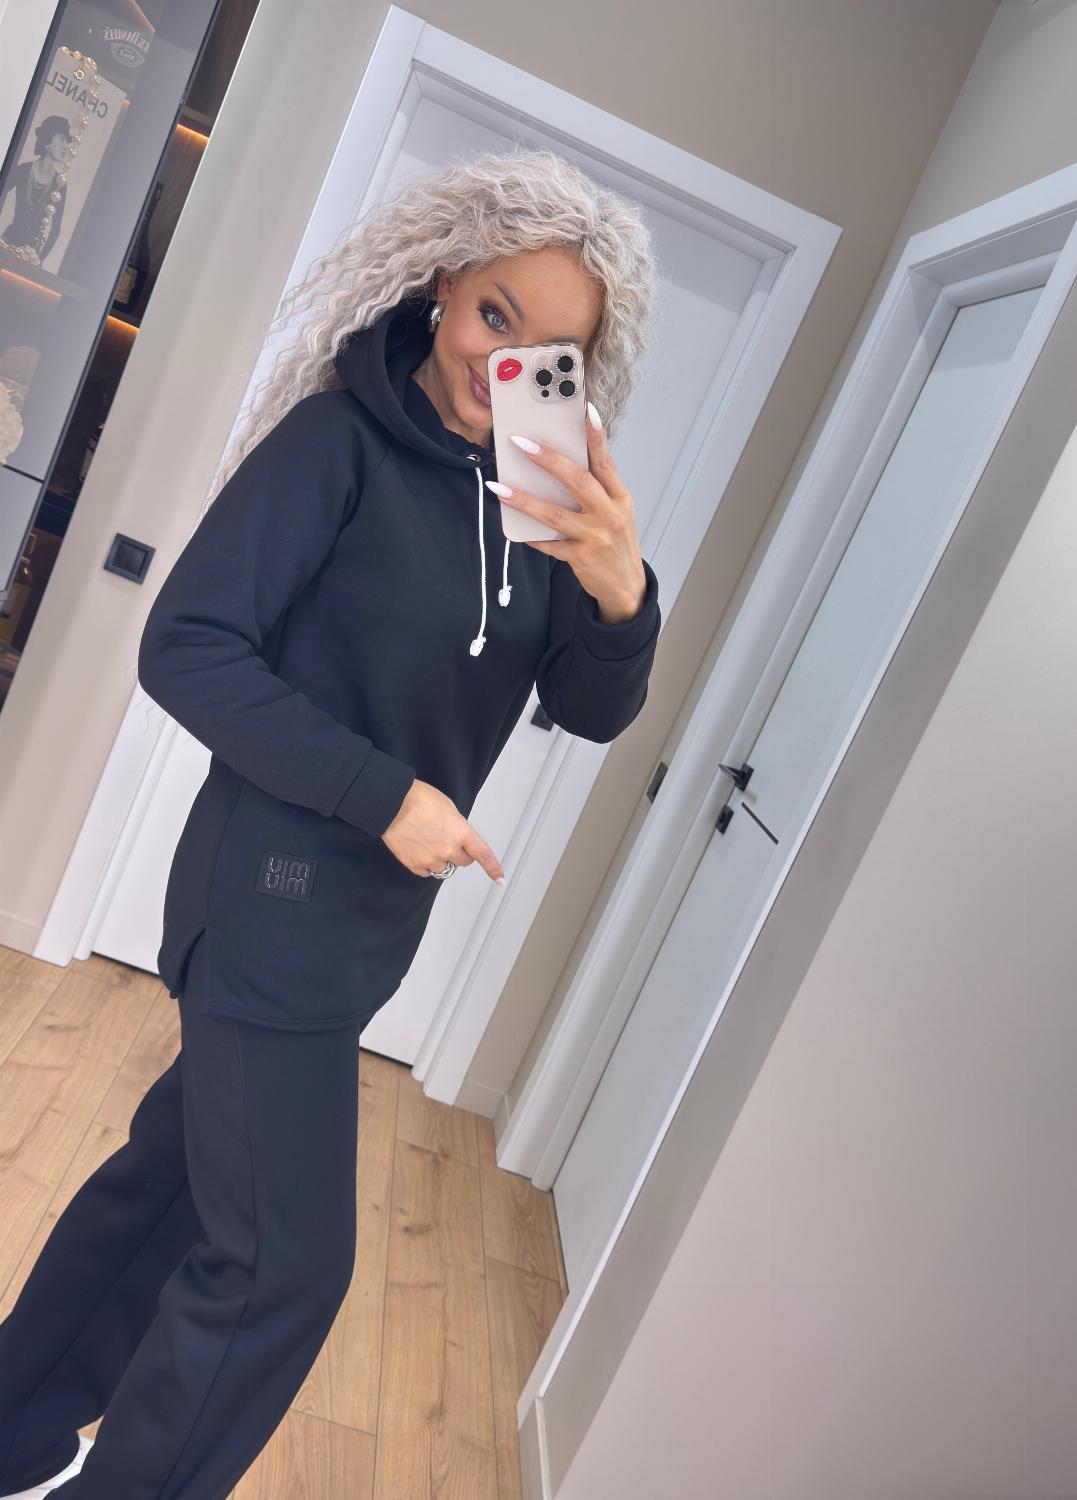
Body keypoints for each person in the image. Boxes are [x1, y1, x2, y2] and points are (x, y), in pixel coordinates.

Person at [0, 146, 662, 1499]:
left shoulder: (536, 502)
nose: (504, 362)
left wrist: (618, 591)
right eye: (494, 313)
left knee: (172, 1189)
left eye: (549, 350)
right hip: (267, 900)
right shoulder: (335, 445)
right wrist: (387, 796)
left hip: (357, 930)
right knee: (281, 1269)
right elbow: (188, 646)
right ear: (442, 285)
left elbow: (587, 712)